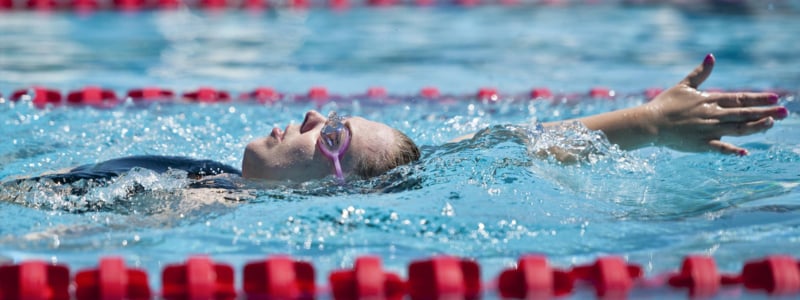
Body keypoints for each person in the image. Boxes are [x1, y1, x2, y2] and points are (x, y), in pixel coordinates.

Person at [1, 54, 789, 191]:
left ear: (323, 185)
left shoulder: (202, 203)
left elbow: (515, 154)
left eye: (330, 136)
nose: (308, 117)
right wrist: (646, 119)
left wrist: (648, 124)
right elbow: (493, 147)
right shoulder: (214, 187)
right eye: (328, 119)